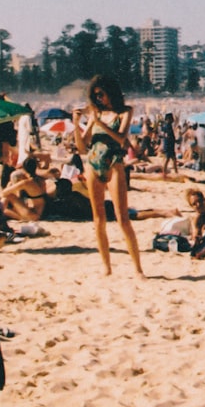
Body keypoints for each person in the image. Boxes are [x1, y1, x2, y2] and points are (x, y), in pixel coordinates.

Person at [72, 75, 144, 277]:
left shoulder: (124, 112)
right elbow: (82, 147)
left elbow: (121, 139)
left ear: (110, 92)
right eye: (95, 96)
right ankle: (107, 267)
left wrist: (99, 124)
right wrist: (77, 124)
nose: (99, 99)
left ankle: (138, 268)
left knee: (122, 219)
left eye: (101, 94)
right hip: (93, 164)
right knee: (98, 219)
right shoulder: (96, 113)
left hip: (114, 164)